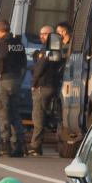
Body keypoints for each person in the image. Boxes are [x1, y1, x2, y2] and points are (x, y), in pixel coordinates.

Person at [0, 19, 27, 157]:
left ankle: (5, 144)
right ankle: (19, 143)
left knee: (2, 113)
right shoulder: (19, 44)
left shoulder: (0, 44)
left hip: (3, 81)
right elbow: (24, 63)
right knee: (15, 113)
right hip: (16, 80)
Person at [28, 25, 61, 156]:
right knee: (42, 116)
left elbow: (40, 68)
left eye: (46, 34)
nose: (42, 36)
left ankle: (35, 146)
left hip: (43, 87)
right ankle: (37, 145)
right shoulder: (54, 49)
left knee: (38, 116)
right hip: (50, 86)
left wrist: (33, 82)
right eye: (41, 34)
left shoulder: (48, 50)